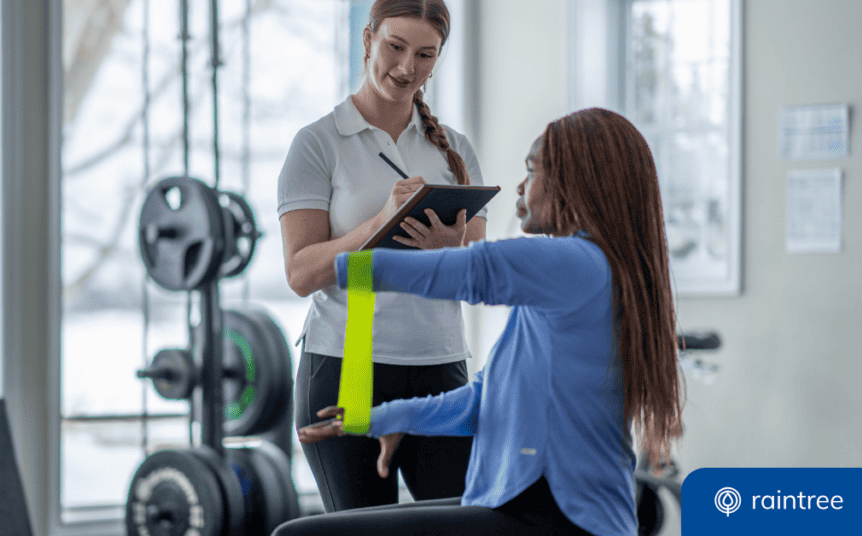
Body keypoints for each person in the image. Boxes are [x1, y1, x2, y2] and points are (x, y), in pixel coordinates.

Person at [273, 108, 685, 536]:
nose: (521, 186)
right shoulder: (568, 281)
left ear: (577, 179)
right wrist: (386, 418)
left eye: (532, 169)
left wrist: (329, 265)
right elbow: (481, 402)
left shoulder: (576, 263)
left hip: (561, 516)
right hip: (528, 505)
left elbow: (474, 270)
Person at [278, 0, 488, 513]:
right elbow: (301, 273)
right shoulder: (317, 144)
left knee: (463, 524)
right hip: (348, 368)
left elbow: (481, 270)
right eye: (395, 46)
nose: (406, 68)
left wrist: (450, 251)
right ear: (368, 38)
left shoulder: (454, 149)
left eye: (425, 54)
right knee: (361, 530)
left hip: (441, 368)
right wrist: (378, 223)